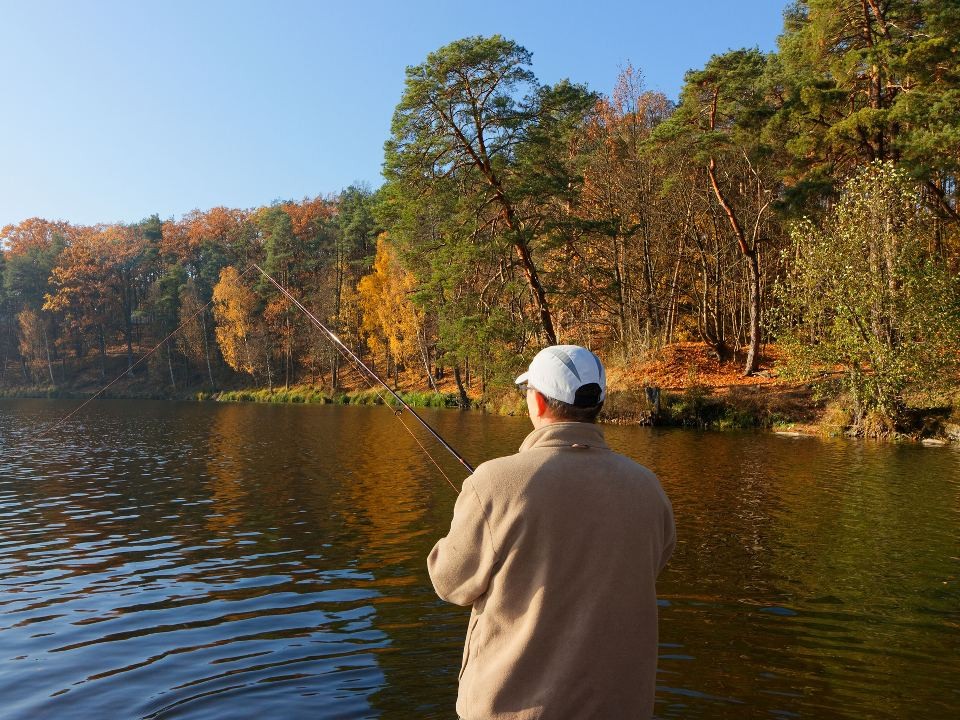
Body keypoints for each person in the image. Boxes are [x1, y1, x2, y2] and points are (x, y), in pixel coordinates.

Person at [428, 345, 676, 720]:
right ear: (598, 403)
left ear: (539, 402)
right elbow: (652, 563)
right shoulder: (648, 487)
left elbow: (451, 583)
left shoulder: (492, 482)